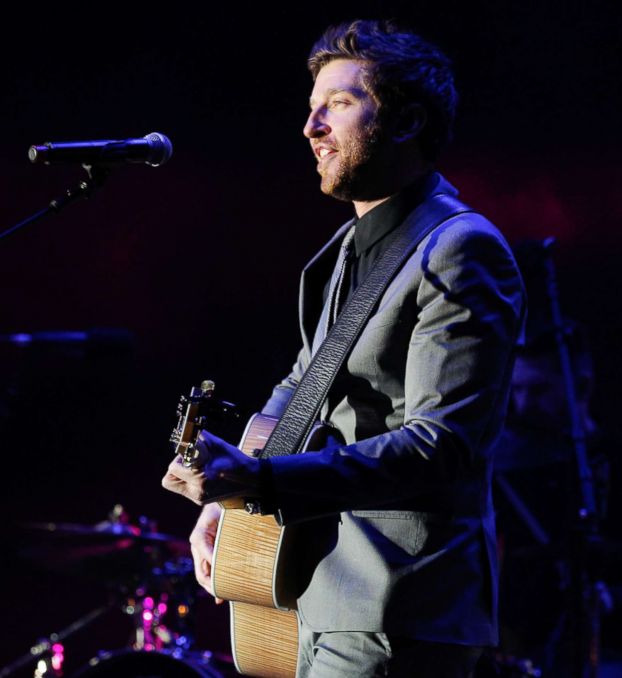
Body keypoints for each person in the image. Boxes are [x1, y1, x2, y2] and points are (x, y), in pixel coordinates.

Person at [162, 19, 525, 678]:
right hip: (316, 593)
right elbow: (297, 393)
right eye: (311, 108)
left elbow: (443, 444)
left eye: (338, 103)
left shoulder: (461, 249)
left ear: (407, 122)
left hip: (396, 599)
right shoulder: (342, 255)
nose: (311, 128)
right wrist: (228, 502)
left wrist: (264, 481)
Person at [493, 319, 622, 678]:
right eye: (517, 391)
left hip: (619, 655)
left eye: (538, 391)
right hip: (527, 656)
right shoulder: (508, 471)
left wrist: (614, 600)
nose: (522, 407)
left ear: (582, 387)